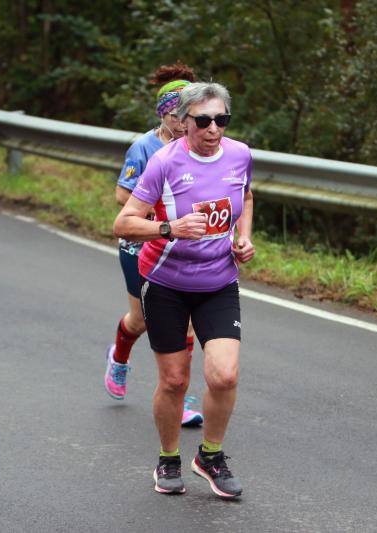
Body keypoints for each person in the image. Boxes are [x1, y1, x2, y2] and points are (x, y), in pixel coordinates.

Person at [113, 82, 255, 499]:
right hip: (165, 282)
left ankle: (210, 456)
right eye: (205, 120)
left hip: (218, 280)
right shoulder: (164, 162)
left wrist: (243, 239)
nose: (214, 129)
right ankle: (169, 457)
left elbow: (245, 196)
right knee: (174, 381)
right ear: (185, 120)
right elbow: (123, 223)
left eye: (222, 120)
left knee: (224, 375)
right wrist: (168, 228)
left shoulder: (240, 155)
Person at [104, 62, 203, 427]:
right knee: (141, 319)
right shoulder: (144, 147)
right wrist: (156, 214)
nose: (183, 122)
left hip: (183, 247)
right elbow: (121, 195)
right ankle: (119, 355)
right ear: (164, 115)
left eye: (189, 115)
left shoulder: (200, 145)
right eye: (177, 116)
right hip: (141, 246)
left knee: (187, 323)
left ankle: (184, 396)